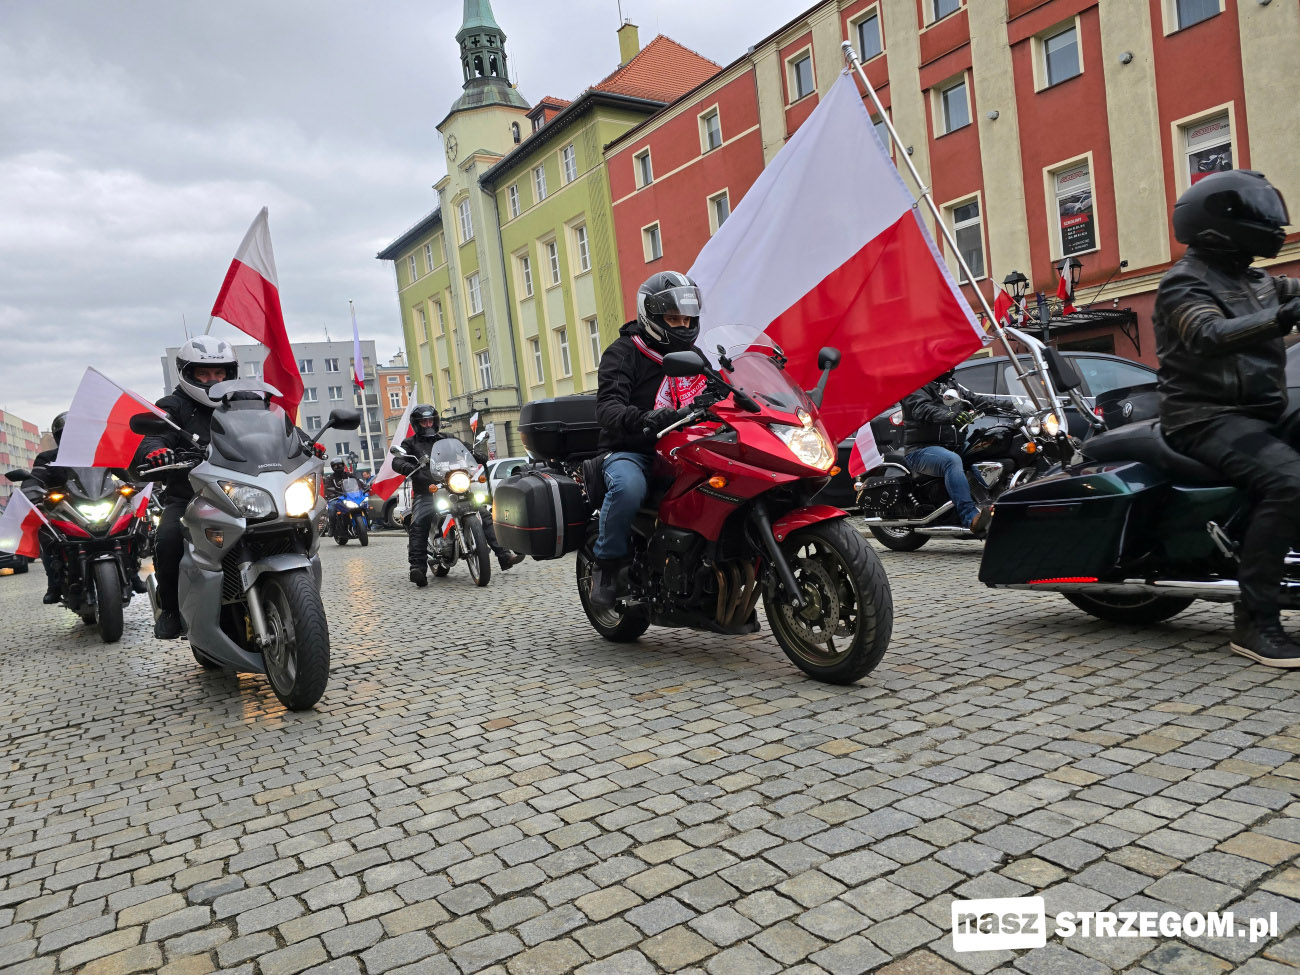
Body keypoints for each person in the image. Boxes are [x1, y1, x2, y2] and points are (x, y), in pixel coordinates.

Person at [1155, 169, 1300, 667]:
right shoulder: (1182, 283)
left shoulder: (1256, 278)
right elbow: (1208, 334)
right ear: (1220, 222)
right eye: (1260, 211)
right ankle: (1255, 620)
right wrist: (1282, 318)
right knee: (1291, 483)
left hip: (1263, 412)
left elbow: (1288, 292)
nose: (1274, 222)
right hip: (1205, 417)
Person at [133, 336, 327, 639]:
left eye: (220, 373)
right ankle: (170, 609)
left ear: (230, 373)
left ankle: (299, 599)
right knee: (168, 537)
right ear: (188, 374)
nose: (213, 380)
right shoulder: (173, 406)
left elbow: (282, 428)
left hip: (246, 489)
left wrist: (306, 443)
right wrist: (156, 451)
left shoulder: (246, 401)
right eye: (204, 374)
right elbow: (154, 437)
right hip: (192, 495)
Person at [589, 271, 702, 609]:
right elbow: (607, 407)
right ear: (651, 317)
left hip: (686, 448)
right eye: (672, 319)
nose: (682, 326)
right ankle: (607, 567)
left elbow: (721, 390)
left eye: (687, 319)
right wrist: (644, 418)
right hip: (632, 448)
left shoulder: (697, 357)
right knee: (628, 488)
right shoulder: (624, 352)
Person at [392, 405, 523, 587]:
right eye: (424, 421)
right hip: (428, 491)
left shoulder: (447, 438)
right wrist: (407, 467)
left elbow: (464, 449)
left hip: (455, 487)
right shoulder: (410, 443)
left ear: (436, 421)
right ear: (417, 424)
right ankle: (417, 568)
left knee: (484, 514)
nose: (428, 424)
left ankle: (504, 555)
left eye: (430, 420)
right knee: (419, 521)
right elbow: (398, 460)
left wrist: (477, 454)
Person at [900, 369, 1001, 535]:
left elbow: (977, 400)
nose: (949, 366)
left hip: (955, 446)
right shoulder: (916, 385)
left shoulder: (951, 385)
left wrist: (1014, 406)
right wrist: (951, 416)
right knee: (951, 461)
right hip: (921, 450)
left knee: (989, 444)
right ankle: (971, 518)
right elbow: (923, 409)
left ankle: (990, 503)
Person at [29, 412, 70, 604]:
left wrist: (134, 483)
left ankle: (134, 576)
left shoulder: (96, 454)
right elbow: (35, 479)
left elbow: (122, 471)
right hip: (63, 512)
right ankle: (54, 584)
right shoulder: (46, 458)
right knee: (47, 535)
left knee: (132, 523)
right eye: (65, 433)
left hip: (97, 505)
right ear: (58, 437)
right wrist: (31, 492)